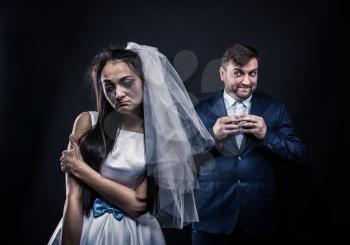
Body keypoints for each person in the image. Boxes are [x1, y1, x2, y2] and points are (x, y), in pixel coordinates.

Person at [48, 42, 214, 245]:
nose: (117, 94)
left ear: (147, 82)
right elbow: (73, 197)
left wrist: (82, 170)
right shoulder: (86, 122)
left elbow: (138, 203)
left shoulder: (167, 140)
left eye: (127, 82)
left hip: (137, 233)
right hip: (86, 227)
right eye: (109, 87)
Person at [192, 43, 306, 244]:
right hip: (211, 218)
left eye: (252, 74)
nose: (246, 81)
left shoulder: (274, 109)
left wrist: (267, 135)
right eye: (238, 73)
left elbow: (298, 154)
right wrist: (211, 136)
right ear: (222, 73)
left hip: (260, 219)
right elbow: (180, 160)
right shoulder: (200, 110)